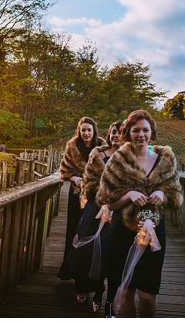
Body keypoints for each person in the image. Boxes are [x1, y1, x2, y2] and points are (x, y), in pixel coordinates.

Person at [95, 110, 183, 317]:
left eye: (145, 130)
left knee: (147, 294)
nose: (141, 134)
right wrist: (129, 195)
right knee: (126, 290)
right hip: (122, 232)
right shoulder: (118, 161)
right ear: (128, 133)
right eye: (136, 130)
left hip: (152, 234)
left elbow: (176, 197)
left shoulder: (165, 160)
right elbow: (106, 200)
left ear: (152, 131)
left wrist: (163, 193)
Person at [70, 120, 124, 312]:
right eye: (113, 132)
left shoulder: (130, 155)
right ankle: (91, 287)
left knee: (113, 250)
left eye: (120, 132)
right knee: (90, 245)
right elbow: (89, 178)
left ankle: (108, 297)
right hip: (96, 204)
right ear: (109, 134)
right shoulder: (99, 154)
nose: (116, 135)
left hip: (120, 208)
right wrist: (90, 194)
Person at [58, 116, 106, 281]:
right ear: (79, 131)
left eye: (89, 130)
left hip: (95, 196)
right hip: (76, 195)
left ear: (94, 131)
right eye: (83, 130)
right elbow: (64, 170)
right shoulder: (72, 146)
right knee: (73, 230)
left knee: (90, 230)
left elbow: (108, 170)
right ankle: (69, 268)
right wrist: (73, 178)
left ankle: (87, 271)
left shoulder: (101, 146)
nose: (86, 133)